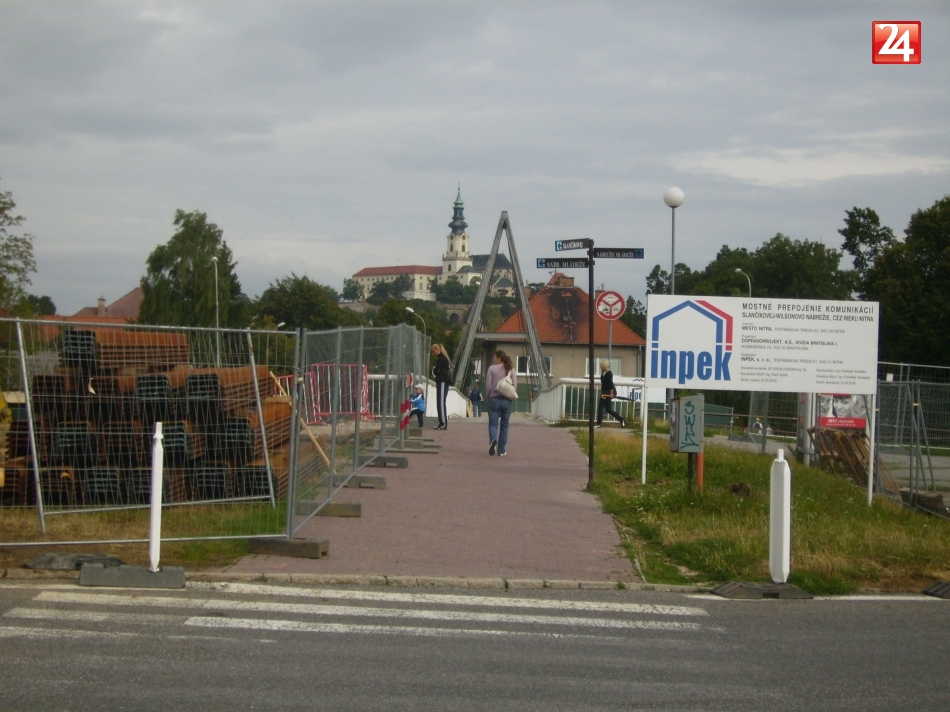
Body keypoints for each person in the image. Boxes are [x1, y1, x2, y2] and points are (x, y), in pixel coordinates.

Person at [485, 350, 516, 456]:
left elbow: (488, 385)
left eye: (494, 357)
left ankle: (493, 440)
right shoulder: (511, 369)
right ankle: (501, 450)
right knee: (504, 425)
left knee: (493, 424)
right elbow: (515, 385)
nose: (493, 359)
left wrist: (488, 395)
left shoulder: (491, 369)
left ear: (499, 358)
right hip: (507, 400)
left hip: (494, 399)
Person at [596, 359, 625, 428]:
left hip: (606, 394)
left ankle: (598, 423)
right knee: (609, 410)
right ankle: (621, 419)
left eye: (601, 366)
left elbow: (610, 384)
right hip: (606, 393)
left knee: (600, 408)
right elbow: (603, 381)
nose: (600, 368)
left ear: (604, 366)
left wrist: (611, 393)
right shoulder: (606, 373)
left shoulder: (609, 374)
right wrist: (602, 373)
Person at [431, 343, 452, 430]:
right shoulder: (443, 358)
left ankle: (443, 423)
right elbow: (437, 370)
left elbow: (436, 370)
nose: (433, 354)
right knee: (441, 402)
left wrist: (436, 370)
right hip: (442, 382)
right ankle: (442, 422)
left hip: (442, 381)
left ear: (437, 350)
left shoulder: (441, 359)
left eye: (433, 352)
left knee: (441, 402)